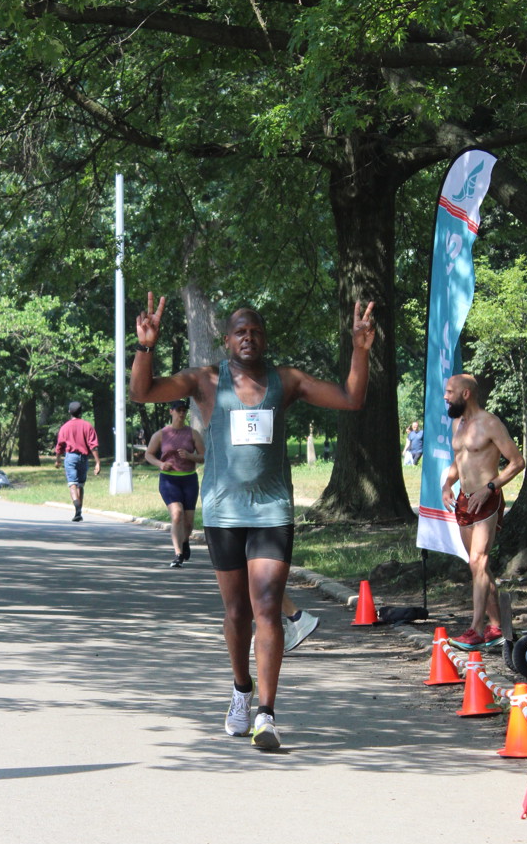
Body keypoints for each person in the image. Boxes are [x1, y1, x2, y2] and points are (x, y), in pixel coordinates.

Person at [131, 292, 375, 750]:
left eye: (256, 331)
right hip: (224, 511)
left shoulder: (288, 380)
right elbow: (142, 393)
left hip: (271, 509)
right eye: (240, 331)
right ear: (227, 340)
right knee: (237, 612)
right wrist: (146, 346)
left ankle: (267, 713)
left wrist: (360, 350)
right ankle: (241, 690)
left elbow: (351, 398)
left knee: (266, 605)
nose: (249, 337)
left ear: (265, 339)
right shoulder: (206, 380)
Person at [442, 373, 525, 650]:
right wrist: (447, 484)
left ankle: (476, 629)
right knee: (478, 565)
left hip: (486, 500)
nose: (445, 396)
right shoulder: (458, 424)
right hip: (464, 501)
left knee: (478, 561)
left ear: (466, 394)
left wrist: (490, 487)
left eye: (450, 391)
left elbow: (517, 462)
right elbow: (459, 461)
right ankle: (497, 626)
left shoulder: (490, 423)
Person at [144, 400, 205, 567]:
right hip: (169, 480)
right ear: (171, 411)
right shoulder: (161, 434)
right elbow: (149, 454)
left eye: (184, 410)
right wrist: (160, 464)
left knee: (189, 522)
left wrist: (190, 456)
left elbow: (203, 456)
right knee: (177, 514)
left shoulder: (193, 434)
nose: (182, 413)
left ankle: (185, 541)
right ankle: (178, 554)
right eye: (178, 410)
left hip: (189, 479)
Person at [54, 400, 101, 521]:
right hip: (83, 458)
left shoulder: (65, 427)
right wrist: (97, 462)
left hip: (70, 457)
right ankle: (79, 511)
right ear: (81, 412)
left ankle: (77, 507)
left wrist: (58, 460)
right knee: (80, 485)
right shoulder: (87, 426)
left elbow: (59, 446)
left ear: (69, 412)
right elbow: (93, 446)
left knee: (72, 484)